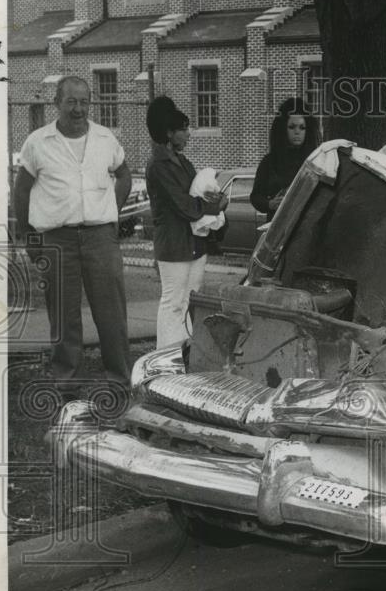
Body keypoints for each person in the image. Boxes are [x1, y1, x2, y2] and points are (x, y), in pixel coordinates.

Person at [13, 75, 133, 385]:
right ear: (57, 103)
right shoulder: (37, 142)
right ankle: (69, 386)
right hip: (57, 240)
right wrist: (30, 237)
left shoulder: (106, 138)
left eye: (84, 102)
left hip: (101, 239)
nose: (78, 109)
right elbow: (21, 191)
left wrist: (110, 214)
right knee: (64, 317)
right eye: (71, 102)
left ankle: (119, 381)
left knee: (112, 315)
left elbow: (124, 176)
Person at [145, 96, 228, 349]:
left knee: (190, 302)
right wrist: (216, 206)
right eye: (183, 129)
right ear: (169, 133)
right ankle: (166, 357)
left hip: (194, 242)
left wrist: (215, 196)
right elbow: (185, 206)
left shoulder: (183, 162)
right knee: (173, 302)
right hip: (173, 245)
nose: (189, 134)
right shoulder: (158, 166)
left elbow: (197, 196)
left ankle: (185, 354)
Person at [250, 98, 320, 219]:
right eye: (292, 127)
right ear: (283, 129)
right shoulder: (270, 161)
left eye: (302, 127)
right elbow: (255, 196)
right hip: (277, 225)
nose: (297, 132)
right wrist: (270, 204)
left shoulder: (315, 161)